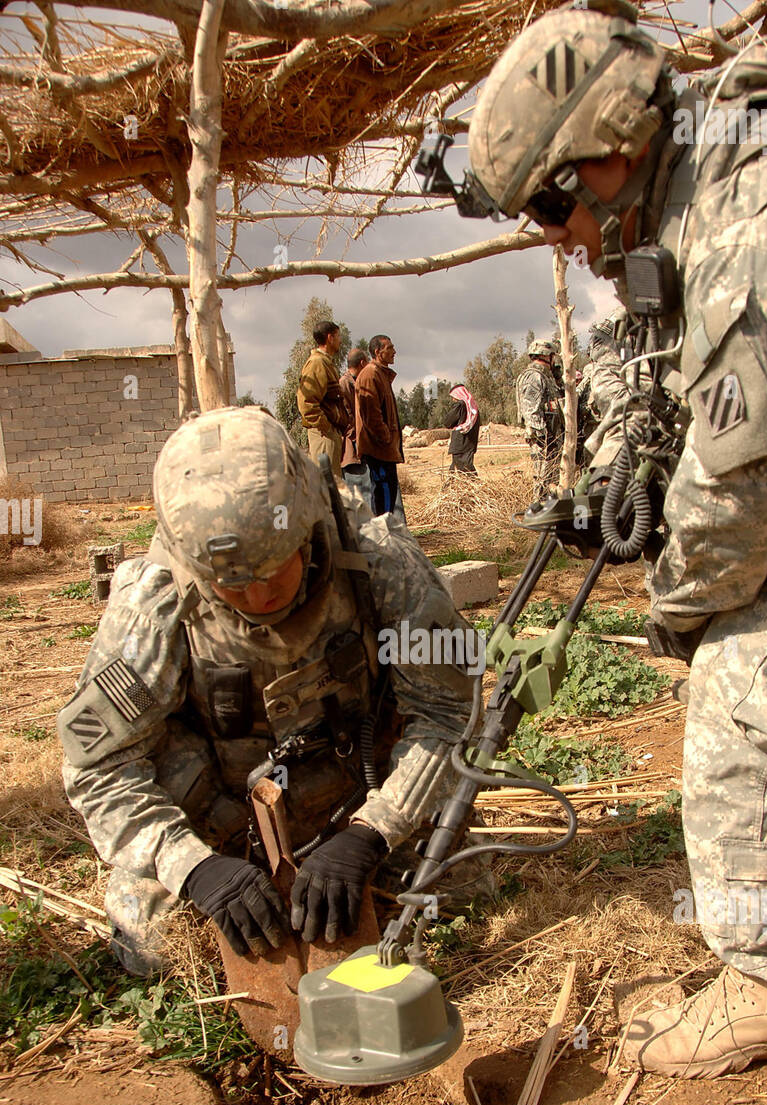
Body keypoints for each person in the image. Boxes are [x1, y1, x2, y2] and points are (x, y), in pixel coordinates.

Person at [462, 0, 767, 1077]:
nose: (558, 240)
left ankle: (766, 989)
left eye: (551, 210)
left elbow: (733, 501)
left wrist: (676, 608)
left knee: (734, 667)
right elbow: (675, 379)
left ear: (606, 159)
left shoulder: (744, 231)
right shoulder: (724, 174)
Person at [56, 405, 478, 975]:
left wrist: (372, 831)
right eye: (230, 584)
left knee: (460, 891)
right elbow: (100, 767)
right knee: (152, 946)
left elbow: (450, 711)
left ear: (305, 523)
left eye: (273, 570)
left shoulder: (381, 563)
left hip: (360, 802)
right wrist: (194, 869)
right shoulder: (153, 604)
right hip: (218, 826)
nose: (258, 600)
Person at [355, 334, 406, 522]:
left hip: (384, 449)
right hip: (379, 450)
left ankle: (386, 535)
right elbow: (372, 415)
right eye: (390, 348)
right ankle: (383, 537)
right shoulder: (370, 374)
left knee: (388, 493)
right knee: (384, 494)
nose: (394, 352)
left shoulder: (380, 374)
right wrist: (385, 437)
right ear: (377, 352)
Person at [515, 339, 565, 503]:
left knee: (550, 478)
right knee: (543, 479)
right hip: (543, 438)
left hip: (550, 436)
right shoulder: (534, 377)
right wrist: (543, 435)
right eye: (553, 357)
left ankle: (548, 513)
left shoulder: (544, 376)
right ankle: (540, 514)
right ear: (547, 356)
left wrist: (559, 379)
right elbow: (531, 409)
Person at [297, 320, 348, 478]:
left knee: (332, 484)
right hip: (323, 435)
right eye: (338, 336)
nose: (340, 340)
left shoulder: (325, 363)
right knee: (327, 485)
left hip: (328, 433)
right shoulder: (317, 363)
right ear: (330, 338)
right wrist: (325, 427)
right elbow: (306, 403)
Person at [339, 347, 373, 513]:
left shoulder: (359, 381)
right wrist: (356, 436)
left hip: (363, 444)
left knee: (366, 492)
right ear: (362, 363)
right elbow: (346, 416)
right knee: (357, 493)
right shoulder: (345, 384)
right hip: (352, 447)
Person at [443, 384, 481, 477]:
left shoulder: (459, 405)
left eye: (454, 397)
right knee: (466, 467)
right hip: (470, 444)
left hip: (460, 444)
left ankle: (474, 487)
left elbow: (447, 422)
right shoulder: (473, 408)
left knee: (461, 470)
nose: (453, 400)